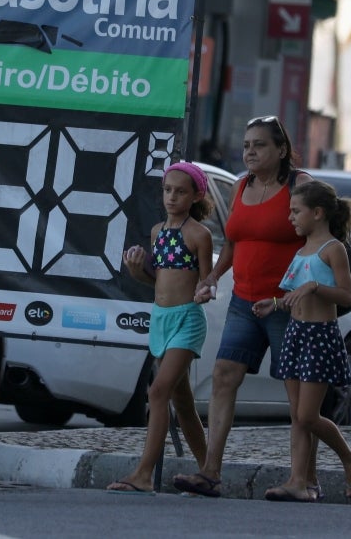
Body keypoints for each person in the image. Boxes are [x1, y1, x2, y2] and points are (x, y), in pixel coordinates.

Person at [173, 115, 315, 499]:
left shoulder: (300, 185)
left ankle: (304, 481)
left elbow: (321, 239)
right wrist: (212, 276)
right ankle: (210, 473)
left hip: (288, 305)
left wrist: (301, 292)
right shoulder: (241, 186)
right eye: (246, 145)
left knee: (298, 395)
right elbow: (235, 244)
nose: (250, 152)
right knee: (223, 375)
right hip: (244, 301)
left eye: (260, 145)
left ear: (281, 150)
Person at [252, 179, 351, 501]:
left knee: (307, 415)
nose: (290, 217)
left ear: (317, 213)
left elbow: (345, 295)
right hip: (296, 333)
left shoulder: (333, 249)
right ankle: (300, 481)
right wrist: (274, 304)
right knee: (297, 416)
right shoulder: (301, 250)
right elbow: (295, 294)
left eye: (296, 211)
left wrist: (315, 287)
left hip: (319, 336)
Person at [107, 161, 214, 494]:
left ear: (196, 196)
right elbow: (156, 281)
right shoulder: (157, 232)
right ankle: (209, 472)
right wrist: (136, 269)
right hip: (161, 319)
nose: (172, 197)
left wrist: (206, 289)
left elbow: (206, 281)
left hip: (187, 320)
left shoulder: (199, 235)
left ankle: (143, 474)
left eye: (180, 192)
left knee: (157, 392)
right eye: (167, 190)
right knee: (183, 404)